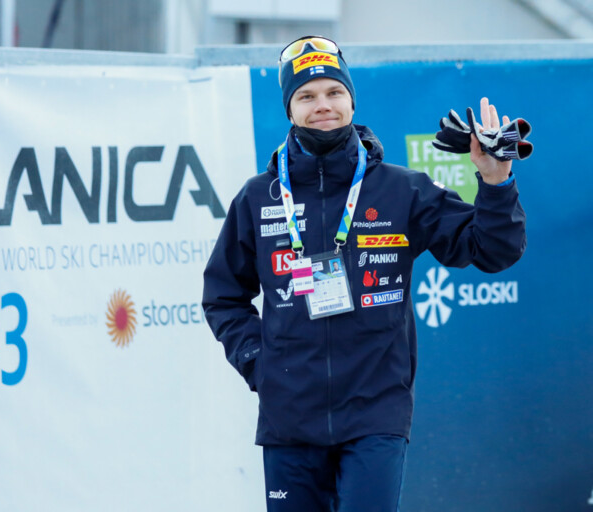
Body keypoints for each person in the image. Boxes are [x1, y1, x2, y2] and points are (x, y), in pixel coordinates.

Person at [202, 36, 526, 512]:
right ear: (289, 108)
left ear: (351, 99)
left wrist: (496, 181)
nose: (323, 106)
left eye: (333, 92)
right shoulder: (260, 197)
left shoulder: (403, 190)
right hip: (289, 417)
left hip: (376, 412)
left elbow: (493, 250)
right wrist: (260, 363)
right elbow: (223, 296)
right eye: (306, 96)